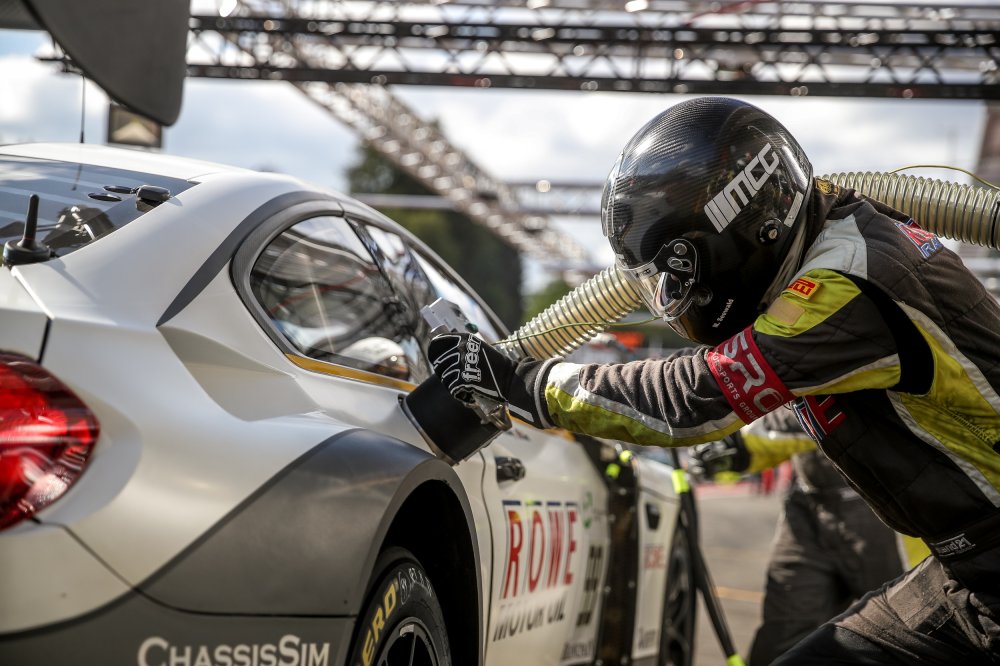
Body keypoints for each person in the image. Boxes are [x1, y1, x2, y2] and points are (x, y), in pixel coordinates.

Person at [427, 96, 1000, 663]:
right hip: (967, 570)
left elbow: (693, 397)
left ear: (747, 227)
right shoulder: (839, 240)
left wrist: (523, 383)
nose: (672, 294)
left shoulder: (843, 283)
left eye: (679, 269)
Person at [689, 409, 908, 665]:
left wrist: (738, 440)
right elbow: (790, 433)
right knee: (782, 636)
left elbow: (824, 409)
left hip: (884, 506)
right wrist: (737, 455)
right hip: (807, 506)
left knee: (910, 630)